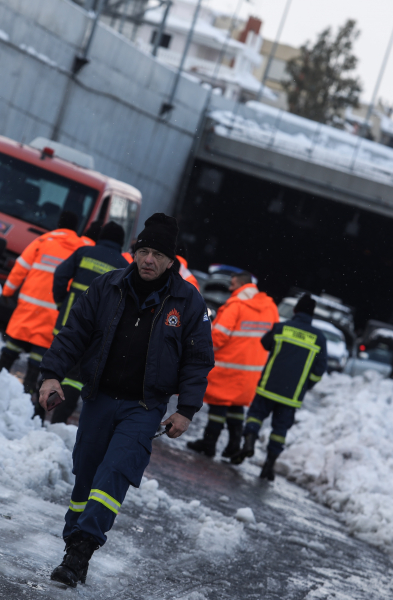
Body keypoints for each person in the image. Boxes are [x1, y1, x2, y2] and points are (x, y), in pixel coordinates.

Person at [37, 213, 214, 587]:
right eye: (143, 250)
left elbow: (197, 360)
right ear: (134, 252)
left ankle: (80, 551)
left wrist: (185, 410)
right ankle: (75, 538)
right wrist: (51, 374)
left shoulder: (188, 302)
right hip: (100, 398)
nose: (148, 259)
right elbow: (74, 334)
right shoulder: (107, 287)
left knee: (114, 473)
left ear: (171, 261)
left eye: (157, 254)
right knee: (86, 473)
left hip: (144, 408)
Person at [0, 211, 88, 403]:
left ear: (58, 224)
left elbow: (20, 267)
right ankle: (27, 397)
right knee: (38, 360)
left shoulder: (43, 241)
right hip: (53, 312)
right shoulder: (81, 248)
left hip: (28, 308)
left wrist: (7, 292)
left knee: (11, 349)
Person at [229, 295, 327, 480]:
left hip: (268, 386)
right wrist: (306, 385)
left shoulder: (282, 328)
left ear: (295, 310)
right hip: (291, 395)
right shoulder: (319, 338)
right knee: (280, 431)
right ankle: (269, 465)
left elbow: (265, 343)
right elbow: (319, 370)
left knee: (255, 416)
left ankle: (248, 442)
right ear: (312, 315)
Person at [187, 270, 278, 458]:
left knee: (218, 405)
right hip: (252, 371)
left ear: (242, 285)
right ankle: (234, 444)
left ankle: (209, 443)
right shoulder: (270, 307)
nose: (230, 288)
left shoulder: (236, 305)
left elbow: (219, 336)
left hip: (228, 367)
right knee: (236, 406)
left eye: (233, 284)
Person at [49, 221, 130, 425]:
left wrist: (61, 301)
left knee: (55, 368)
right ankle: (58, 420)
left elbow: (60, 275)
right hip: (94, 333)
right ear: (121, 242)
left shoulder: (84, 252)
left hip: (68, 322)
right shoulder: (124, 266)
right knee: (76, 378)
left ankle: (39, 412)